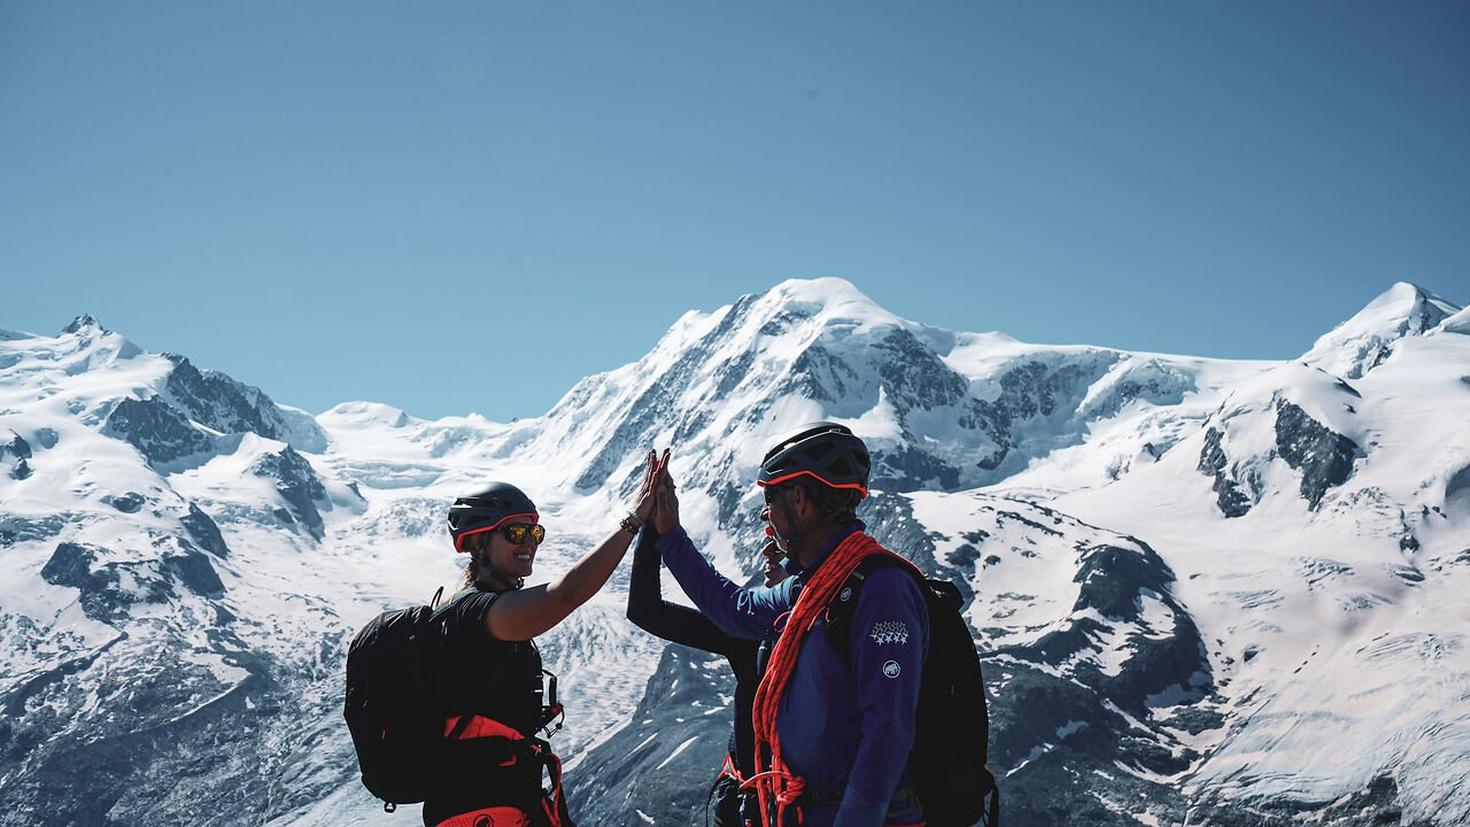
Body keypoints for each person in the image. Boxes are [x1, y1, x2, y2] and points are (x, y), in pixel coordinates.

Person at [651, 423, 930, 827]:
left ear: (799, 500)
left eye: (770, 497)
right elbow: (737, 608)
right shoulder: (811, 586)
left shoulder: (880, 589)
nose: (765, 514)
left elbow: (888, 731)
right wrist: (669, 535)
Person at [424, 450, 666, 827]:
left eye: (534, 532)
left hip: (499, 800)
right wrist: (633, 521)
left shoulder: (484, 609)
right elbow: (565, 595)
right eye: (515, 532)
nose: (530, 542)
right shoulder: (474, 613)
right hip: (482, 809)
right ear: (478, 543)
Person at [626, 520, 788, 826]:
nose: (768, 555)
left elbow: (645, 611)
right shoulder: (757, 637)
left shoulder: (756, 639)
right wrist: (652, 525)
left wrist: (658, 529)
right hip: (754, 804)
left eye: (782, 552)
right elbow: (644, 610)